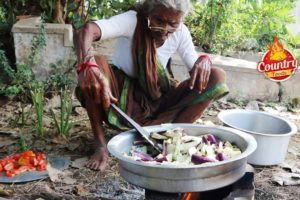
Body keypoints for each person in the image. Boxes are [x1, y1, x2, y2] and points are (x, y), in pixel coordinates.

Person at [73, 0, 229, 171]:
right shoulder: (133, 21)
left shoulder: (181, 32)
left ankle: (171, 140)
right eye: (159, 21)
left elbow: (197, 71)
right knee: (96, 67)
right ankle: (101, 146)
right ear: (148, 12)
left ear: (180, 21)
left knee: (217, 75)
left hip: (157, 98)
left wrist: (204, 62)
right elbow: (86, 30)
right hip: (118, 96)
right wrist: (86, 65)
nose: (165, 29)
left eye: (173, 24)